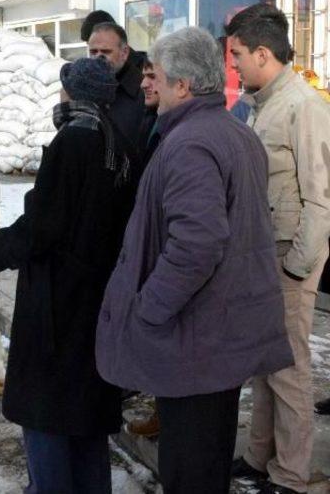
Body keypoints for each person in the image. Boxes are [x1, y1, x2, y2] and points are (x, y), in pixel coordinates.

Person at [95, 27, 294, 494]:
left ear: (182, 86)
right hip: (218, 337)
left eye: (154, 75)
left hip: (195, 340)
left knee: (191, 471)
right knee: (207, 462)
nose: (146, 83)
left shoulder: (190, 144)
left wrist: (149, 309)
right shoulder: (233, 133)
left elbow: (197, 244)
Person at [0, 57, 137, 493]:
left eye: (63, 88)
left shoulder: (73, 140)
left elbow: (44, 228)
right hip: (96, 301)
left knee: (46, 417)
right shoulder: (119, 142)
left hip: (57, 307)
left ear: (72, 94)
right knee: (87, 422)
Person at [226, 3, 330, 494]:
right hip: (266, 251)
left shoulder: (303, 106)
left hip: (290, 253)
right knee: (264, 360)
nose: (234, 66)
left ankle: (292, 474)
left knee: (288, 366)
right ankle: (259, 456)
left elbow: (321, 196)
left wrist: (297, 267)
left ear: (263, 53)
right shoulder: (262, 103)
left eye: (239, 55)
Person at [123, 55, 161, 440]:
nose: (146, 84)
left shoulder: (177, 132)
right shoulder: (150, 119)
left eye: (153, 77)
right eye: (145, 75)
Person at [88, 22, 145, 146]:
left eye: (106, 51)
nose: (98, 57)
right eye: (93, 52)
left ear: (124, 53)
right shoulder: (85, 90)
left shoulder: (145, 91)